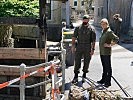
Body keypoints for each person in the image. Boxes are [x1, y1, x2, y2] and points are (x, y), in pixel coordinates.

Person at [71, 15, 96, 83]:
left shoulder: (91, 29)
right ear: (82, 20)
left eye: (86, 19)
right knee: (77, 60)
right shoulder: (78, 28)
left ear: (88, 20)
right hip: (79, 45)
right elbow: (74, 37)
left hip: (88, 46)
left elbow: (93, 40)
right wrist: (73, 46)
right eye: (84, 19)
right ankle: (76, 75)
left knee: (87, 61)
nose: (85, 21)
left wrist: (93, 49)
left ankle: (84, 75)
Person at [97, 18, 119, 88]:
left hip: (106, 52)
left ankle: (108, 82)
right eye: (101, 24)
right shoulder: (104, 31)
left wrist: (109, 45)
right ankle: (103, 79)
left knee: (108, 67)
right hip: (102, 52)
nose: (102, 25)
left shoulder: (109, 32)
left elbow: (116, 39)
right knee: (104, 67)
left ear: (107, 24)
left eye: (104, 24)